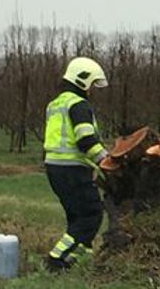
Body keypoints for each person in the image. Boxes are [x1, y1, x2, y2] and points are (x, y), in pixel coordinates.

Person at [43, 56, 110, 272]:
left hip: (55, 168)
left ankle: (80, 261)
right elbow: (86, 140)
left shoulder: (56, 104)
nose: (92, 90)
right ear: (83, 80)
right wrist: (107, 162)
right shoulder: (78, 105)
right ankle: (56, 260)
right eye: (92, 84)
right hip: (72, 168)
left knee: (76, 217)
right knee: (91, 214)